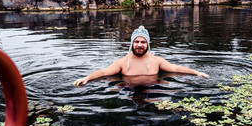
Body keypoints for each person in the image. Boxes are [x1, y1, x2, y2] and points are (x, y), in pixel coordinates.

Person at [73, 25, 209, 86]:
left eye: (143, 42)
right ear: (132, 43)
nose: (139, 45)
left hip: (154, 89)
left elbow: (176, 68)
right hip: (128, 91)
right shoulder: (122, 62)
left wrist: (196, 73)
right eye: (136, 42)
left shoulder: (157, 61)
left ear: (147, 44)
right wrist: (87, 78)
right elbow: (104, 72)